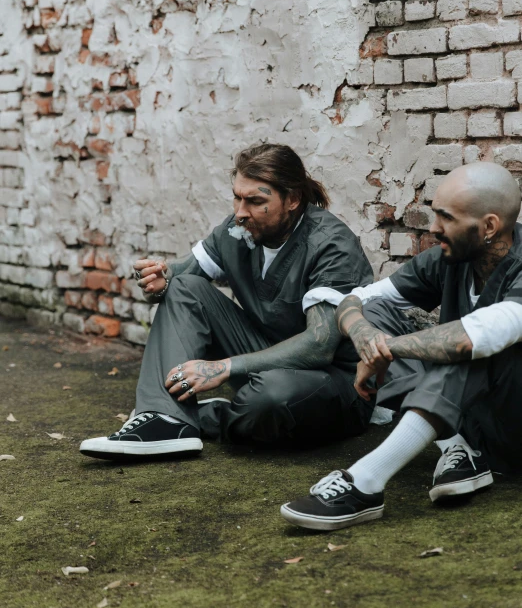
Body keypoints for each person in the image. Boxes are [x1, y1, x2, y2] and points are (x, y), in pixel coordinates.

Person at [80, 143, 374, 459]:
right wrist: (159, 277)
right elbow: (181, 273)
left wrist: (223, 367)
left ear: (292, 199)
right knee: (184, 288)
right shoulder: (239, 230)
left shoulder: (331, 245)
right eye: (237, 196)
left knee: (270, 399)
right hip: (265, 357)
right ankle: (163, 419)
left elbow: (319, 346)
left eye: (255, 201)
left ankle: (209, 416)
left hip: (332, 385)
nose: (240, 211)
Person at [281, 161, 522, 531]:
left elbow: (469, 338)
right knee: (380, 313)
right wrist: (367, 338)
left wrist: (387, 351)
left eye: (446, 217)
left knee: (465, 345)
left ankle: (366, 483)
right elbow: (354, 301)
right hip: (477, 421)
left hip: (514, 422)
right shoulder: (452, 258)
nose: (434, 228)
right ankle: (458, 448)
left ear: (489, 226)